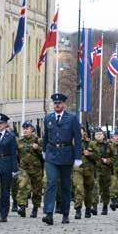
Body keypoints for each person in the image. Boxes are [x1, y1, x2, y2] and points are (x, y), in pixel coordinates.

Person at [42, 93, 82, 225]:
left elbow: (77, 138)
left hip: (66, 154)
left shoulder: (72, 119)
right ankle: (48, 212)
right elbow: (46, 137)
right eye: (55, 103)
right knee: (51, 182)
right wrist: (43, 151)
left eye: (59, 103)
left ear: (64, 104)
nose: (57, 105)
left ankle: (65, 213)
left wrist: (78, 157)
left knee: (65, 185)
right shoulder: (48, 118)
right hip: (52, 154)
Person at [16, 121, 44, 218]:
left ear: (32, 130)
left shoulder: (38, 141)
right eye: (23, 128)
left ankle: (35, 208)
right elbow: (16, 155)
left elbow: (45, 155)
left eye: (27, 128)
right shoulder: (19, 141)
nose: (25, 130)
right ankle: (22, 206)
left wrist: (38, 149)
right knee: (22, 185)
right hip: (24, 169)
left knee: (37, 191)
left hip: (36, 170)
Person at [72, 127, 96, 219]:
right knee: (79, 188)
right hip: (77, 169)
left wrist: (90, 154)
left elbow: (98, 157)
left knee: (88, 191)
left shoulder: (91, 143)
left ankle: (88, 209)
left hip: (89, 170)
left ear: (84, 132)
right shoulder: (72, 143)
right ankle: (78, 210)